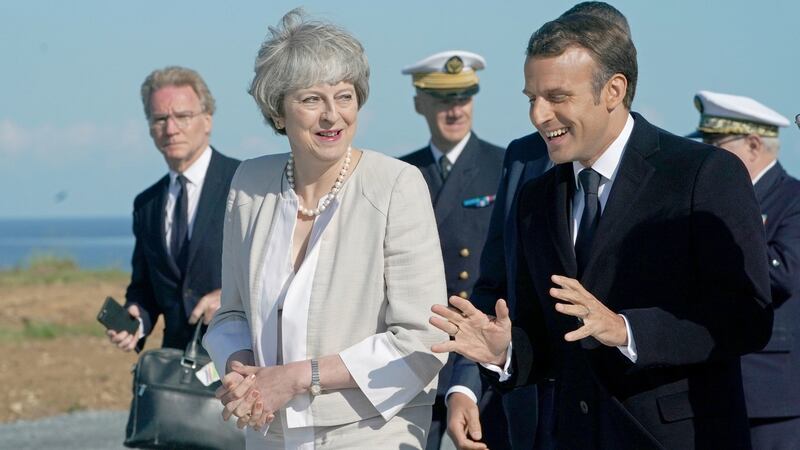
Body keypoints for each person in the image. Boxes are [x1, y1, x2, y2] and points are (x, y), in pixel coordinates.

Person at [431, 13, 773, 449]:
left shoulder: (703, 173)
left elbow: (747, 317)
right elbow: (550, 340)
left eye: (557, 97)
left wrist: (626, 329)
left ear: (613, 91)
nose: (538, 115)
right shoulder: (536, 198)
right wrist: (506, 353)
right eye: (531, 98)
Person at [203, 9, 448, 449]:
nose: (332, 116)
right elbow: (232, 315)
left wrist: (296, 378)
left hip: (373, 432)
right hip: (268, 433)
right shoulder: (249, 184)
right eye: (312, 99)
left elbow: (423, 338)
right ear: (278, 112)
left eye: (345, 96)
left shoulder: (396, 185)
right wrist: (245, 375)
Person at [446, 3, 629, 449]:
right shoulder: (525, 158)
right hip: (537, 413)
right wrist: (465, 383)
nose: (541, 114)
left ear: (612, 81)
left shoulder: (673, 174)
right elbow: (497, 282)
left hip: (632, 418)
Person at [398, 50, 508, 450]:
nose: (455, 109)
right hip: (416, 355)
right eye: (443, 98)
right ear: (418, 103)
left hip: (483, 359)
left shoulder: (506, 167)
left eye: (463, 97)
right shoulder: (397, 175)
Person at [688, 90, 798, 450]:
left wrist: (721, 231)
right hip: (711, 379)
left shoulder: (793, 200)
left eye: (716, 144)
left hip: (771, 391)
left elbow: (782, 275)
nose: (707, 155)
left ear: (753, 146)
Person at [107, 66, 240, 352]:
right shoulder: (146, 204)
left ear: (207, 120)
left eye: (182, 116)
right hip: (177, 373)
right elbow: (144, 287)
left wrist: (233, 297)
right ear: (150, 128)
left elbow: (281, 270)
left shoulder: (245, 183)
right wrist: (137, 318)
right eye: (160, 119)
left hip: (244, 364)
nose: (170, 129)